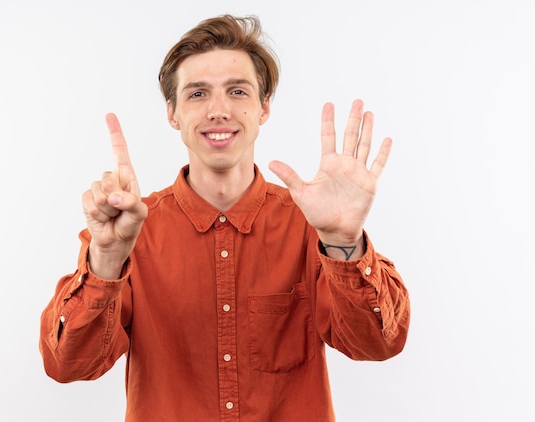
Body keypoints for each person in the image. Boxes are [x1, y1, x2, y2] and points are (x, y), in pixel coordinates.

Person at [39, 14, 410, 421]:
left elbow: (379, 344)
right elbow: (68, 366)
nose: (218, 110)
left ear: (264, 106)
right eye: (197, 94)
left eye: (237, 91)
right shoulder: (130, 232)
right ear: (172, 113)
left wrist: (343, 241)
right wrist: (107, 261)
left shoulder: (311, 225)